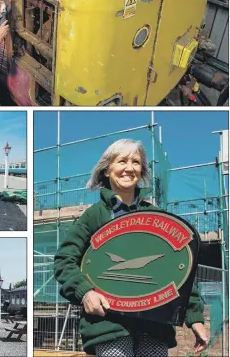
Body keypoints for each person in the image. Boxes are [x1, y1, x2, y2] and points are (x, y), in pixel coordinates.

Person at [54, 139, 209, 357]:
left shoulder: (156, 216)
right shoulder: (94, 216)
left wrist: (195, 319)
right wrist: (85, 292)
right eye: (122, 161)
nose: (129, 168)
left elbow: (182, 271)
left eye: (136, 162)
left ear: (142, 170)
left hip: (154, 322)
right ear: (107, 170)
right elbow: (64, 260)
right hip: (110, 323)